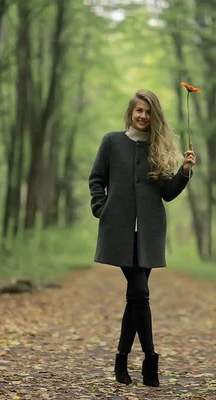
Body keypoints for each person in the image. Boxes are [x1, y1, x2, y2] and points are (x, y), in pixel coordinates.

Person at [88, 89, 196, 387]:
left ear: (154, 116)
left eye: (148, 112)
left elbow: (167, 193)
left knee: (135, 297)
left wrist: (184, 171)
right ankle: (150, 359)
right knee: (140, 292)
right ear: (131, 112)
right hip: (119, 231)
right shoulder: (112, 141)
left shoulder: (157, 148)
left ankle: (122, 358)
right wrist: (101, 207)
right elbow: (96, 178)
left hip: (148, 233)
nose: (143, 116)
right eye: (139, 110)